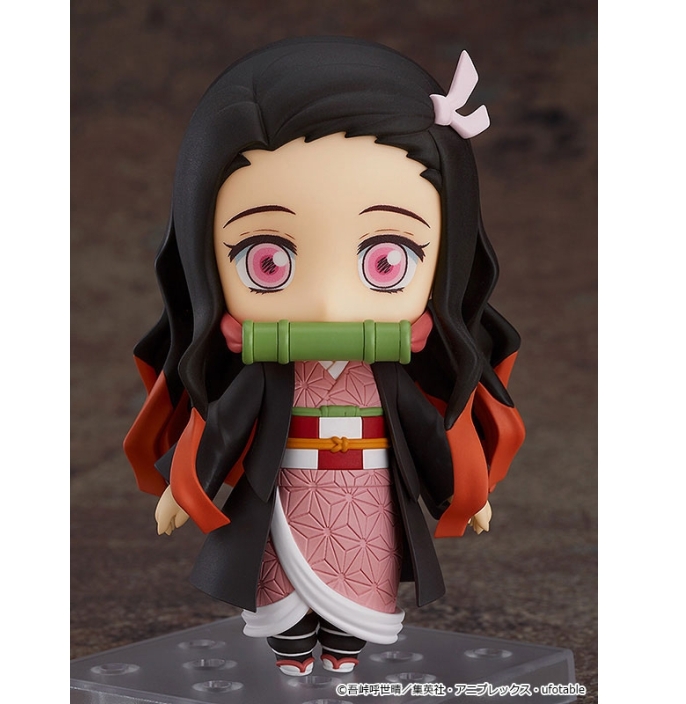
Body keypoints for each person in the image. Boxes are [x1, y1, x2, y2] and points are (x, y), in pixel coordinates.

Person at [124, 37, 525, 676]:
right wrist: (186, 481)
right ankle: (291, 651)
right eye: (267, 261)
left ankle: (344, 649)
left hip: (367, 496)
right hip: (287, 490)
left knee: (361, 582)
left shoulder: (386, 377)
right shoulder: (267, 373)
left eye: (387, 260)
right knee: (282, 588)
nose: (330, 305)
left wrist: (463, 490)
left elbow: (427, 433)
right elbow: (224, 427)